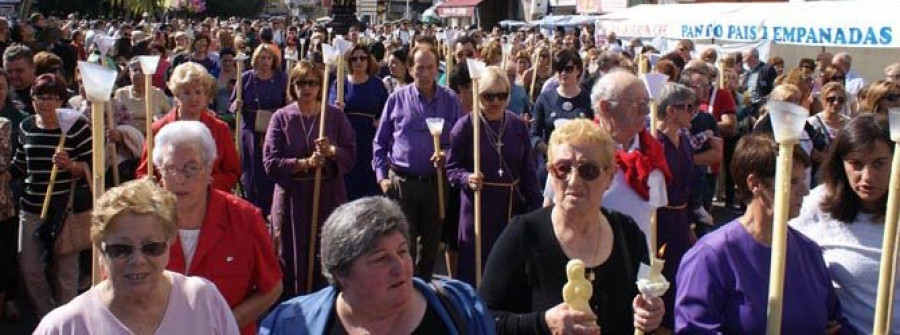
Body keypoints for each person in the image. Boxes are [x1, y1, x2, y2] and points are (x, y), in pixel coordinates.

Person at [479, 119, 664, 334]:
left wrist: (650, 313)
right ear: (549, 172)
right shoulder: (523, 234)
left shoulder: (628, 233)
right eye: (563, 168)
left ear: (610, 177)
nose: (574, 180)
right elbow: (484, 318)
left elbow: (643, 299)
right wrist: (544, 322)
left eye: (589, 170)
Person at [675, 133, 850, 333]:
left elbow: (835, 323)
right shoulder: (710, 257)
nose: (805, 191)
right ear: (755, 184)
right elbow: (694, 329)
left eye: (803, 180)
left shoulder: (809, 252)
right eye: (792, 181)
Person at [259, 196, 495, 334]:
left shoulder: (461, 308)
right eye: (381, 258)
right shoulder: (291, 325)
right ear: (341, 273)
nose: (400, 266)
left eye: (403, 251)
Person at [33, 178, 240, 334]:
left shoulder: (203, 300)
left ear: (169, 245)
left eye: (151, 247)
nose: (138, 260)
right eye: (121, 249)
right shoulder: (64, 327)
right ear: (100, 250)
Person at [150, 120, 282, 334]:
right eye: (170, 168)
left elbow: (272, 288)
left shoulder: (245, 218)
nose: (180, 179)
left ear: (209, 168)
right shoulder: (141, 223)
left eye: (191, 168)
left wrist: (221, 326)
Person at [790, 114, 898, 334]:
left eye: (879, 164)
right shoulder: (816, 206)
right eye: (856, 164)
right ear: (841, 163)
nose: (867, 177)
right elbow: (780, 265)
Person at [263, 61, 356, 297]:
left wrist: (331, 151)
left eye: (312, 82)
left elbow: (351, 154)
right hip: (292, 199)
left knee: (325, 254)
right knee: (290, 256)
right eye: (301, 82)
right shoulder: (281, 118)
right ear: (293, 85)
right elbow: (270, 162)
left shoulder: (333, 116)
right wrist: (304, 164)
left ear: (320, 86)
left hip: (326, 196)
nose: (307, 88)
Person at [446, 66, 542, 286]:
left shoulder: (517, 125)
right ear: (479, 95)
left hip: (509, 209)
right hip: (478, 209)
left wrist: (538, 212)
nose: (496, 102)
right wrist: (467, 178)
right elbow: (452, 169)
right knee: (475, 270)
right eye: (489, 96)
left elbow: (528, 171)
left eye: (502, 95)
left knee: (507, 269)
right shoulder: (466, 126)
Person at [373, 44, 462, 280]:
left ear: (437, 69)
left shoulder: (450, 100)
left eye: (430, 67)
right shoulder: (397, 99)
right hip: (402, 182)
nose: (424, 73)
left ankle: (423, 291)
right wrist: (382, 178)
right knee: (403, 243)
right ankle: (403, 289)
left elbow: (459, 140)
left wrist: (446, 153)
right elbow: (380, 141)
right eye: (419, 68)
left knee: (431, 244)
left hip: (436, 184)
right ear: (411, 69)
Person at [11, 74, 91, 317]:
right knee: (31, 268)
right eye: (39, 97)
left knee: (66, 272)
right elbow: (20, 165)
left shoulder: (77, 127)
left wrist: (71, 165)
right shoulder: (26, 126)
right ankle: (48, 317)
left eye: (51, 98)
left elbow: (93, 167)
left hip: (65, 209)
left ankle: (69, 323)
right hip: (31, 206)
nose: (44, 103)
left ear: (62, 100)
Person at [136, 62, 240, 192]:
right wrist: (152, 183)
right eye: (187, 92)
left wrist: (209, 182)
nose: (193, 98)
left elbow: (233, 172)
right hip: (169, 203)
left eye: (198, 92)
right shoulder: (158, 130)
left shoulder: (220, 129)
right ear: (176, 94)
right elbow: (144, 172)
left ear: (206, 95)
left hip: (209, 201)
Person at [652, 83, 698, 329]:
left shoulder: (684, 141)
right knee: (661, 273)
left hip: (681, 219)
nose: (693, 113)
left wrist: (691, 221)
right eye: (689, 108)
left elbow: (690, 185)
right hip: (660, 219)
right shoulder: (654, 142)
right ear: (671, 111)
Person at [230, 44, 286, 218]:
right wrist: (236, 105)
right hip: (250, 127)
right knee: (252, 166)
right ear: (255, 59)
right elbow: (232, 104)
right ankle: (252, 207)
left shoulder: (281, 78)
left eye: (268, 58)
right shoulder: (246, 78)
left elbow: (287, 101)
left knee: (270, 164)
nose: (265, 62)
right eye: (261, 58)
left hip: (274, 126)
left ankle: (271, 207)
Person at [328, 44, 388, 201]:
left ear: (368, 60)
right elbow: (329, 110)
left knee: (368, 181)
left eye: (362, 57)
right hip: (347, 138)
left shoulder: (377, 84)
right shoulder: (340, 84)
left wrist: (379, 120)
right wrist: (336, 109)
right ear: (348, 62)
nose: (358, 61)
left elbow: (387, 111)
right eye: (354, 58)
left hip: (369, 138)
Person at [3, 44, 36, 114]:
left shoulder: (45, 92)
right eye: (8, 71)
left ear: (32, 68)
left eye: (19, 71)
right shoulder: (3, 92)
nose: (13, 75)